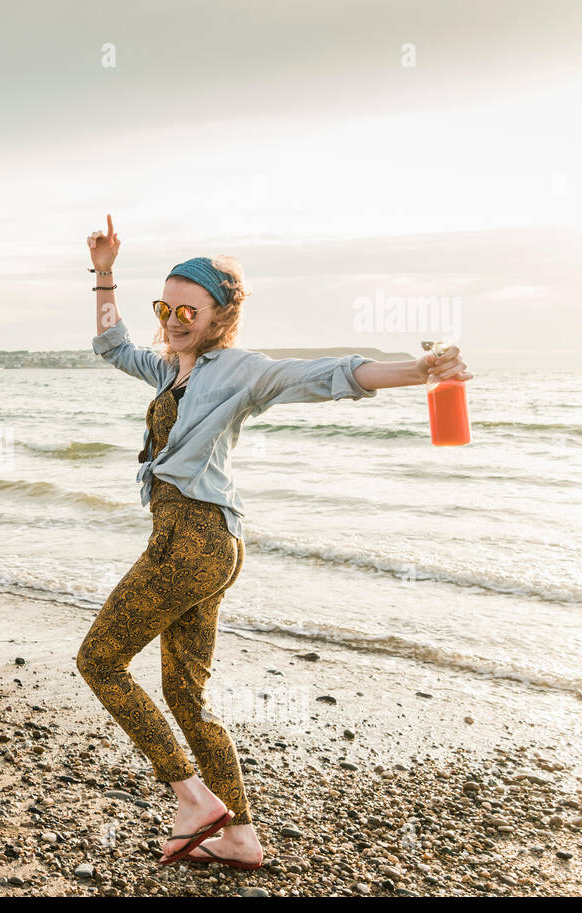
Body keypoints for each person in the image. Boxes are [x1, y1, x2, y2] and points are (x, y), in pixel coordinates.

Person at [76, 215, 472, 870]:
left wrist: (419, 370)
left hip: (192, 539)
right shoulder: (175, 368)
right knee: (186, 695)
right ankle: (239, 836)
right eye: (165, 307)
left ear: (219, 316)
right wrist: (104, 274)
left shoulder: (240, 370)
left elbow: (329, 374)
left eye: (188, 310)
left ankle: (192, 798)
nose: (173, 319)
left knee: (99, 660)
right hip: (212, 543)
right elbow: (112, 346)